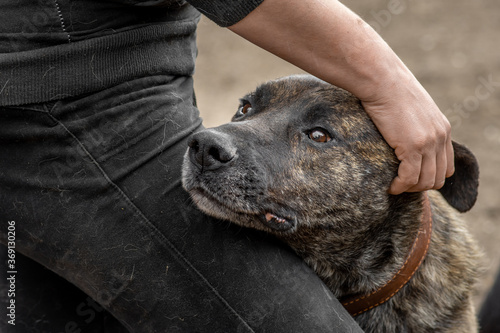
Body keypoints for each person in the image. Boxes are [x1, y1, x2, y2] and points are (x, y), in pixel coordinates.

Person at [0, 0, 453, 331]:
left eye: (317, 136)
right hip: (69, 106)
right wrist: (391, 84)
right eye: (246, 110)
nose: (212, 142)